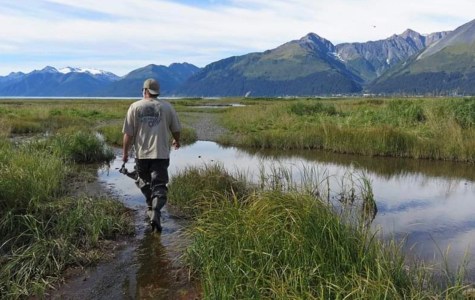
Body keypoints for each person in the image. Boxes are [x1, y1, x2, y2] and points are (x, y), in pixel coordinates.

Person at [122, 78, 181, 232]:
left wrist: (125, 154)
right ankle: (155, 210)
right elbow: (176, 129)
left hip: (142, 155)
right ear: (157, 92)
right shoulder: (167, 107)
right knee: (159, 185)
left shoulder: (134, 107)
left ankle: (151, 208)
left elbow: (128, 134)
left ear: (145, 90)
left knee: (144, 182)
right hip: (161, 154)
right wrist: (176, 140)